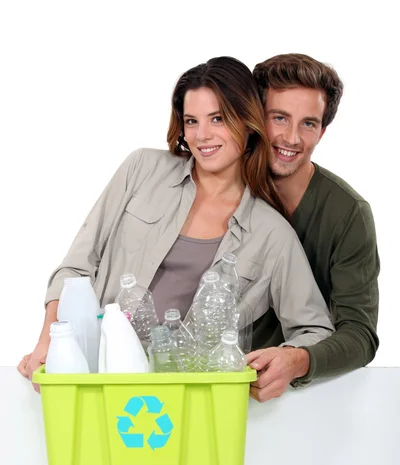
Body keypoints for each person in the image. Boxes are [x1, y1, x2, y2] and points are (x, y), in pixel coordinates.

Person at [17, 56, 334, 391]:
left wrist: (287, 361)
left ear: (247, 121)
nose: (202, 135)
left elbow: (314, 330)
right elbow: (75, 269)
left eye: (218, 118)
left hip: (192, 397)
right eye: (191, 121)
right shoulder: (142, 170)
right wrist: (49, 341)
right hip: (97, 379)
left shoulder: (273, 235)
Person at [247, 53, 379, 401]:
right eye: (279, 118)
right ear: (256, 117)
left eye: (308, 123)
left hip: (300, 401)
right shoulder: (220, 188)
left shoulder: (348, 214)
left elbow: (361, 335)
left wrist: (298, 361)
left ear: (322, 130)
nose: (291, 138)